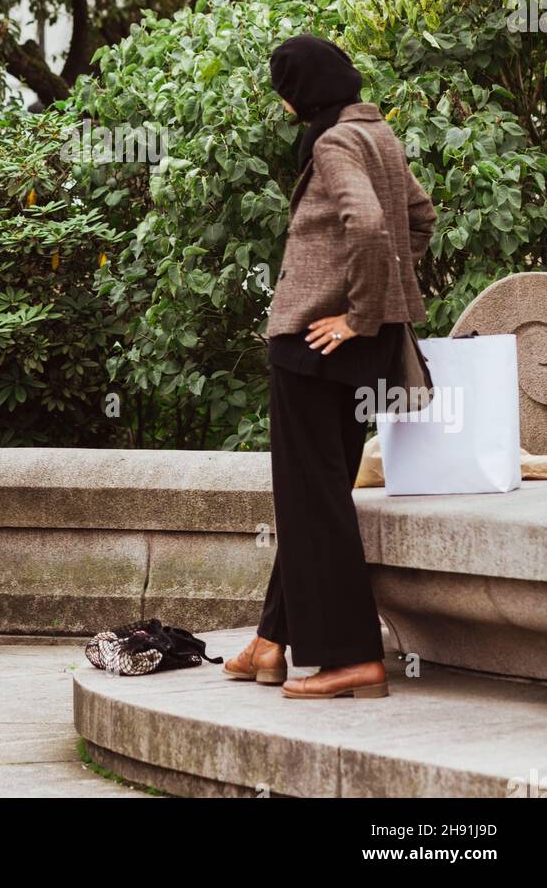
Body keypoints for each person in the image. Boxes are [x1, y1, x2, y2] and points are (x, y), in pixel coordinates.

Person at [223, 35, 436, 698]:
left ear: (299, 95)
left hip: (316, 346)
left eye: (285, 94)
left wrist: (353, 314)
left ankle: (352, 659)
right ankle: (270, 642)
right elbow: (419, 220)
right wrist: (381, 308)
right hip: (362, 355)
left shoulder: (333, 142)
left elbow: (371, 227)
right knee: (317, 495)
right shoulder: (379, 133)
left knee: (313, 501)